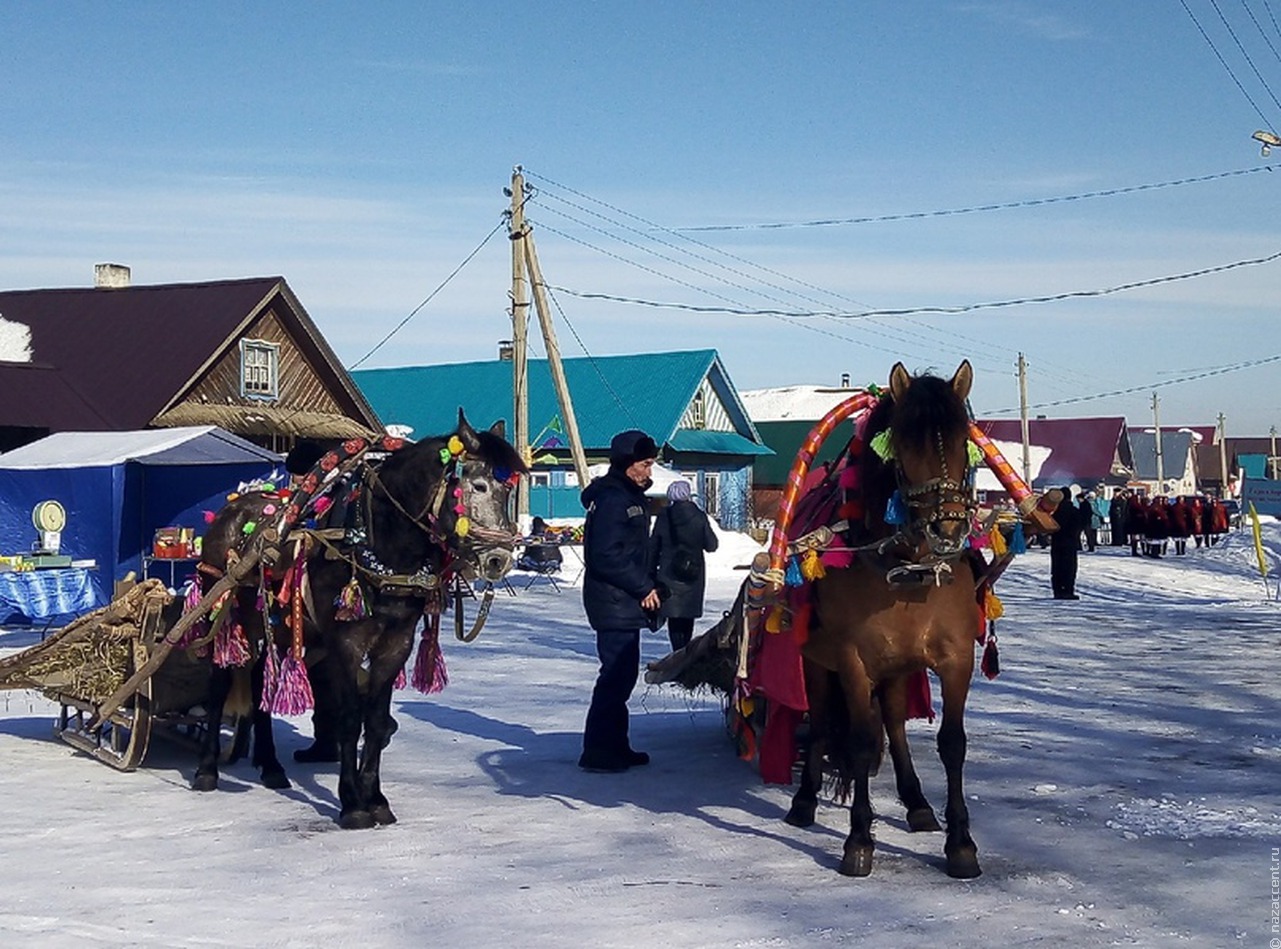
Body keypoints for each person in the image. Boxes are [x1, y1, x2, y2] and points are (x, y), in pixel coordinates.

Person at [577, 429, 662, 773]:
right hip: (613, 602)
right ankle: (597, 750)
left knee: (623, 676)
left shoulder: (626, 494)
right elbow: (606, 556)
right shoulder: (614, 499)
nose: (649, 472)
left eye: (651, 464)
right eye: (644, 464)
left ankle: (616, 744)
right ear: (627, 463)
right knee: (614, 676)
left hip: (621, 602)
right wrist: (643, 587)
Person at [649, 479, 719, 652]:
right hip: (692, 574)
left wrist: (650, 572)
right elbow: (712, 545)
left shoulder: (664, 516)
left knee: (674, 617)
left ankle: (677, 652)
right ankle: (684, 654)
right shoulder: (699, 516)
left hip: (668, 573)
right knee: (687, 617)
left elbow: (654, 546)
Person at [1049, 487, 1080, 599]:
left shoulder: (1054, 511)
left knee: (1056, 567)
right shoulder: (1073, 511)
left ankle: (1057, 591)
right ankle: (1068, 590)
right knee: (1069, 567)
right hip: (1070, 542)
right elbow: (1082, 521)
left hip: (1056, 542)